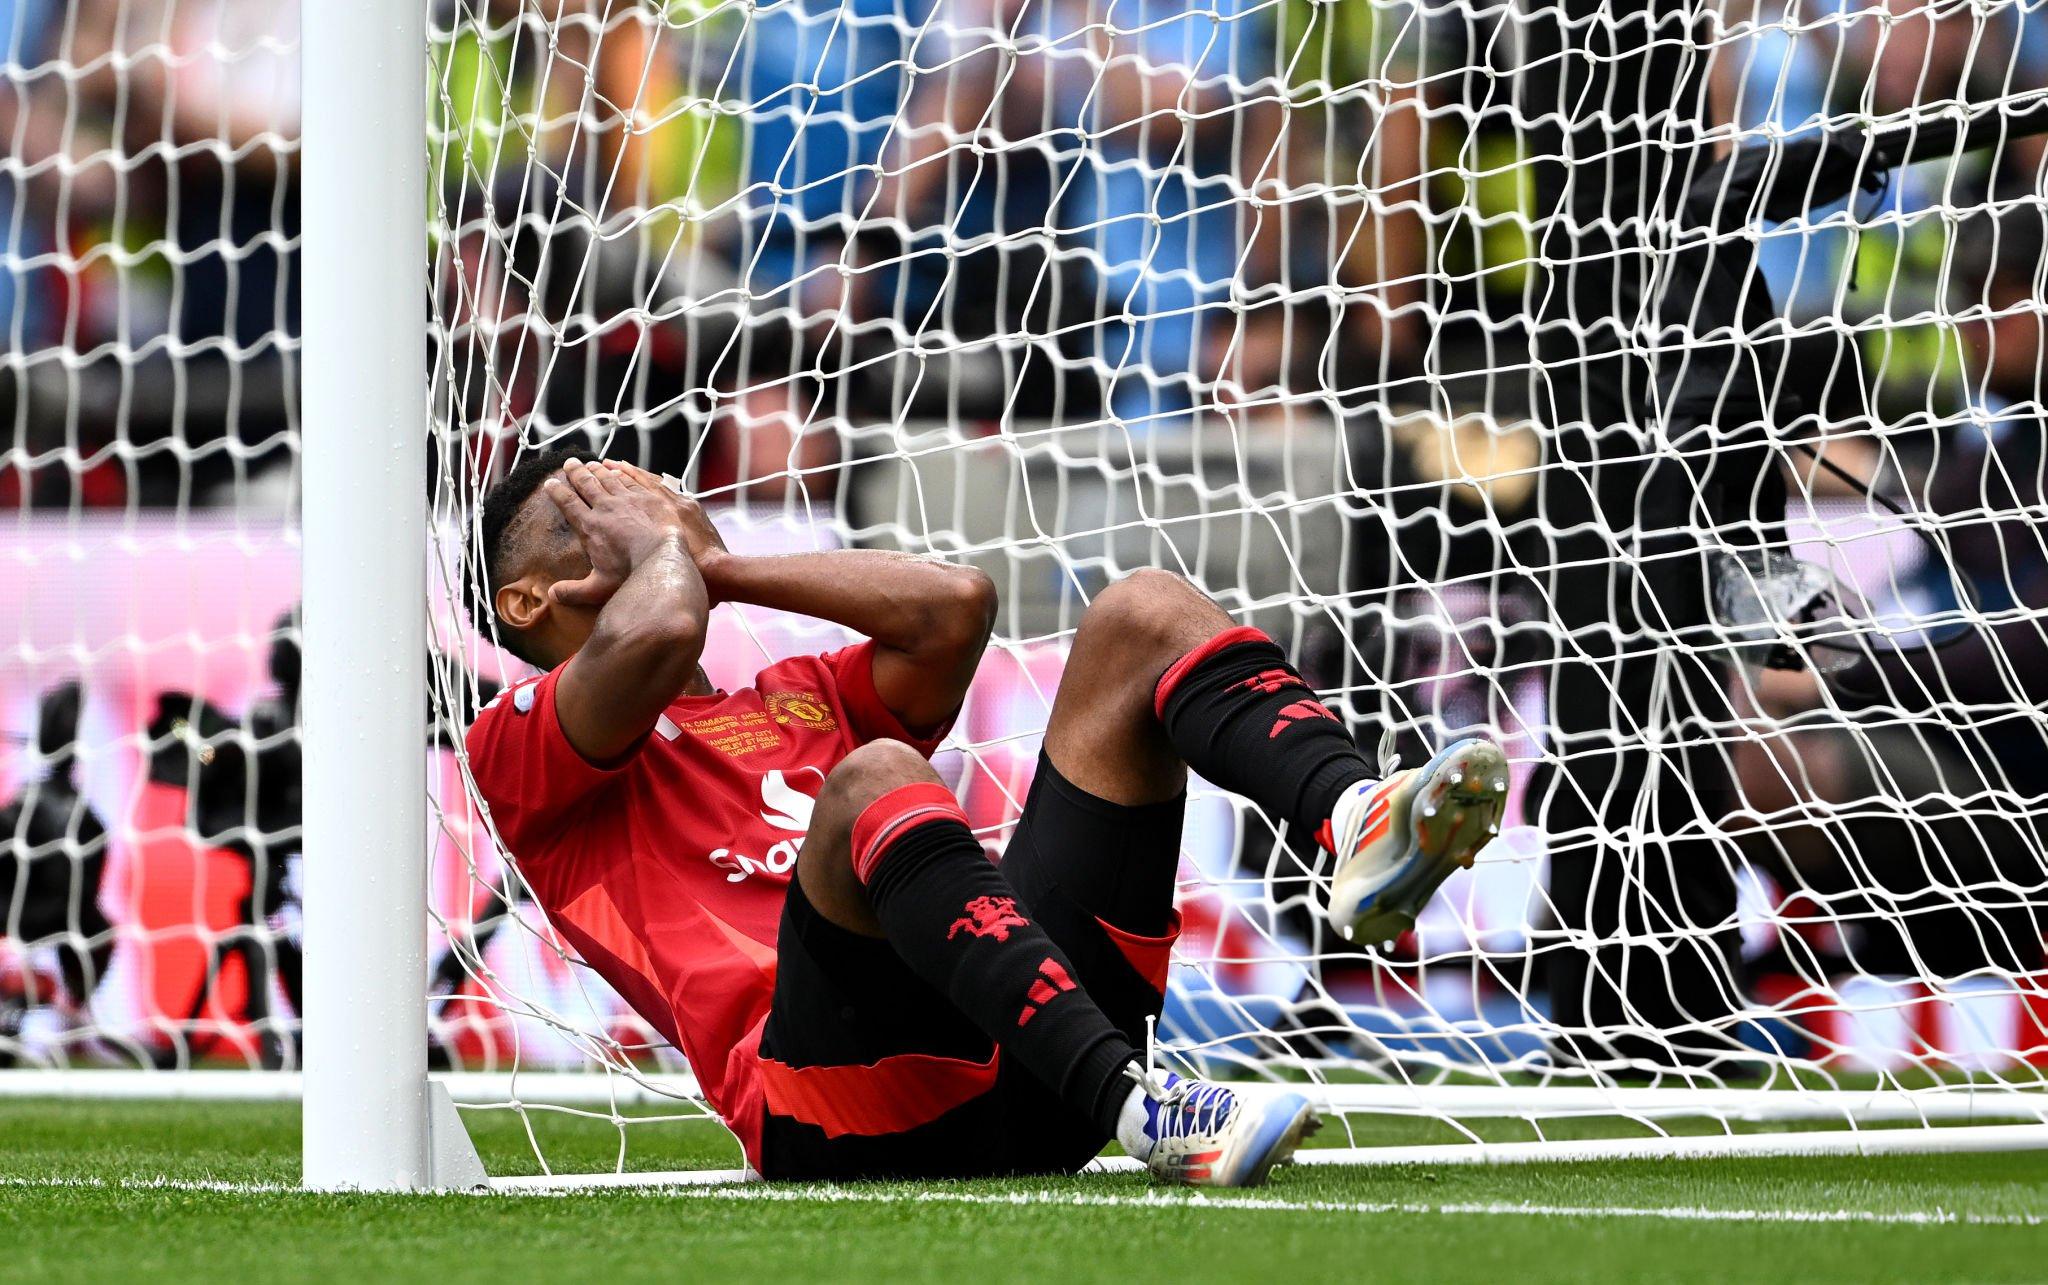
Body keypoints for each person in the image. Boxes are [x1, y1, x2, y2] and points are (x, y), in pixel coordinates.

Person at [462, 447, 1508, 1185]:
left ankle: (1353, 815)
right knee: (875, 775)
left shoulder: (795, 694)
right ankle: (1144, 1106)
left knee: (1143, 612)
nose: (639, 503)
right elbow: (652, 633)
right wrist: (666, 551)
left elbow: (954, 606)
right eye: (590, 510)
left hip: (1024, 1053)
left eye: (637, 494)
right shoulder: (519, 745)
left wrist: (715, 563)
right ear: (529, 601)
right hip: (838, 1105)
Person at [0, 682, 115, 1065]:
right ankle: (48, 1007)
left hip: (58, 916)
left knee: (97, 931)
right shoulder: (35, 808)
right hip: (32, 913)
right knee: (95, 931)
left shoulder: (68, 814)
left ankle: (65, 1013)